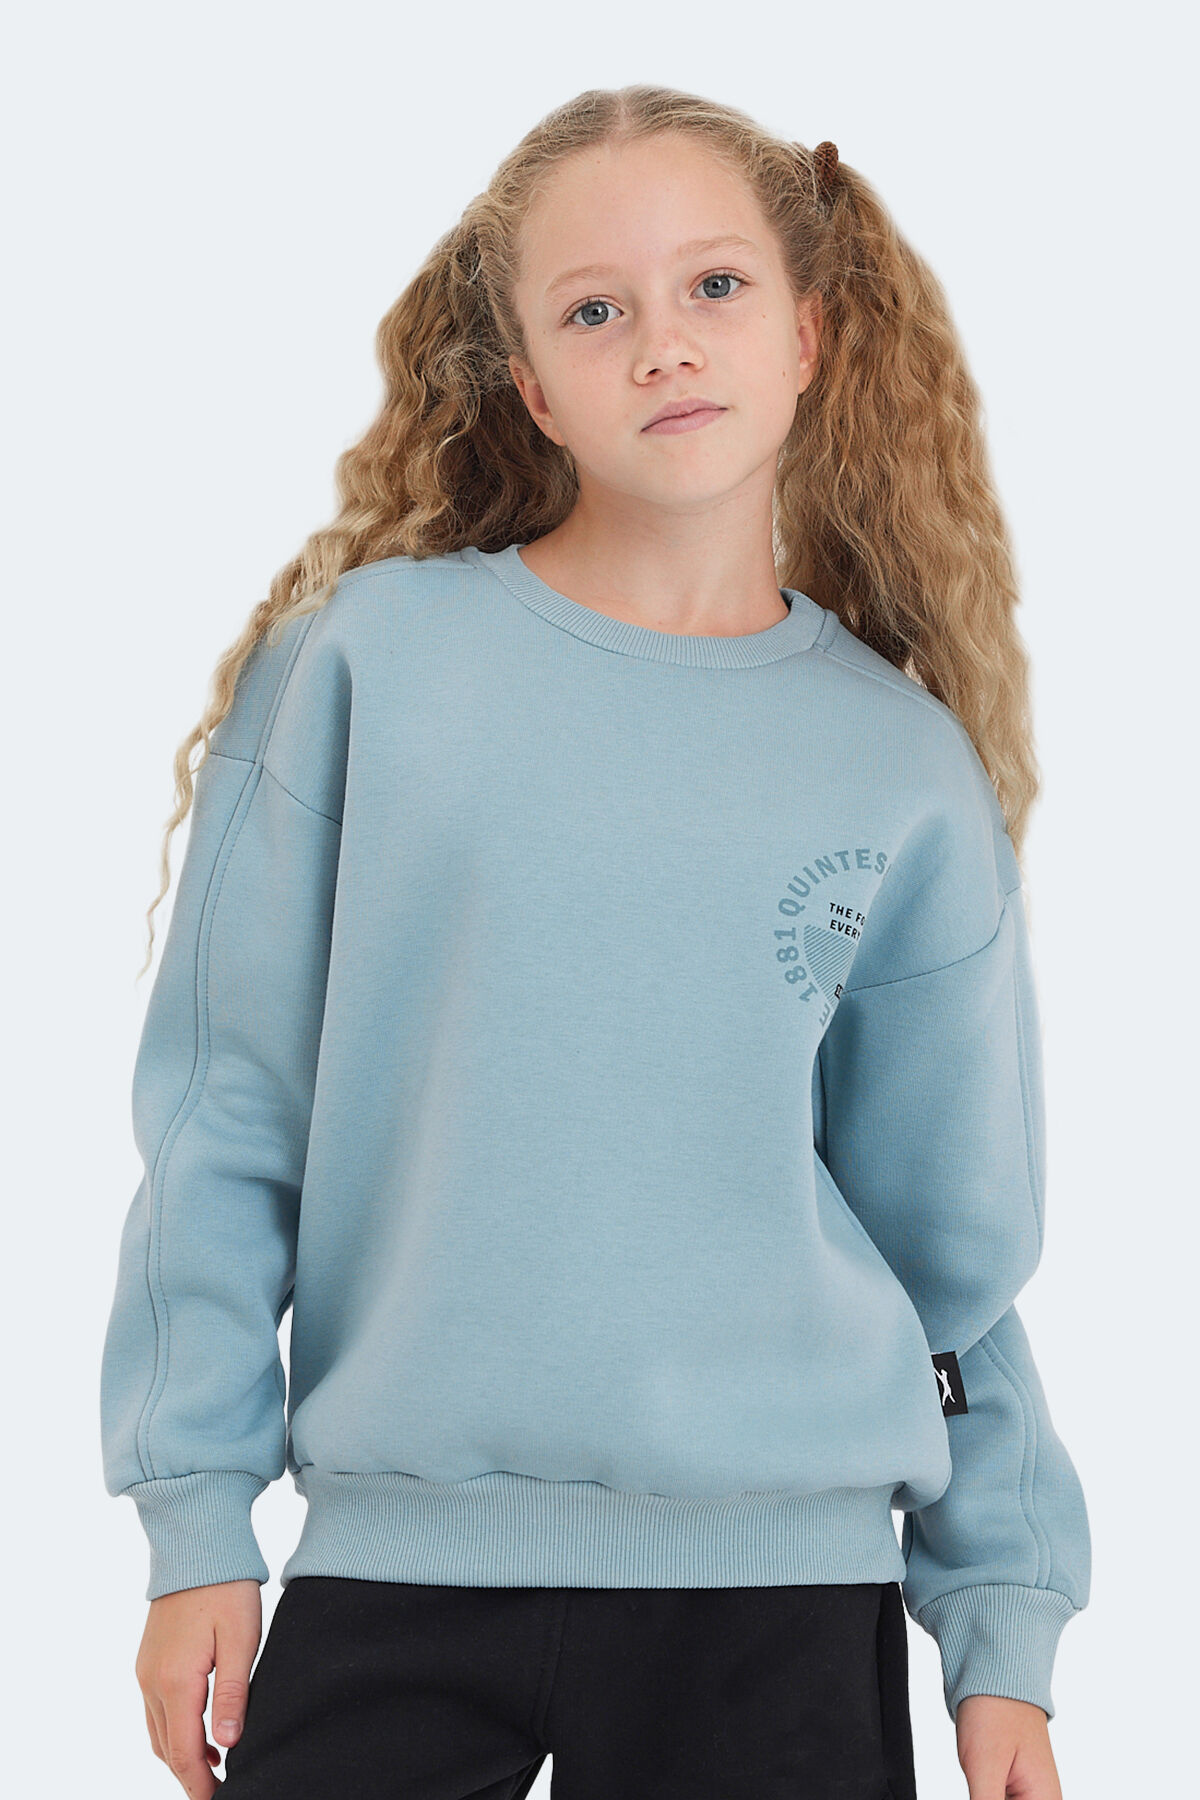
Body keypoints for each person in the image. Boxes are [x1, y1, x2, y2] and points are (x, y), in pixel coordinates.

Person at [100, 83, 1091, 1800]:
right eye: (593, 310)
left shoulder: (900, 766)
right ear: (530, 386)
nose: (664, 345)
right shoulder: (365, 669)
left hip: (783, 1603)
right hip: (397, 1578)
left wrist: (1000, 1623)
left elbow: (950, 1263)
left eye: (715, 285)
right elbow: (225, 1116)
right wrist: (196, 1521)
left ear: (809, 333)